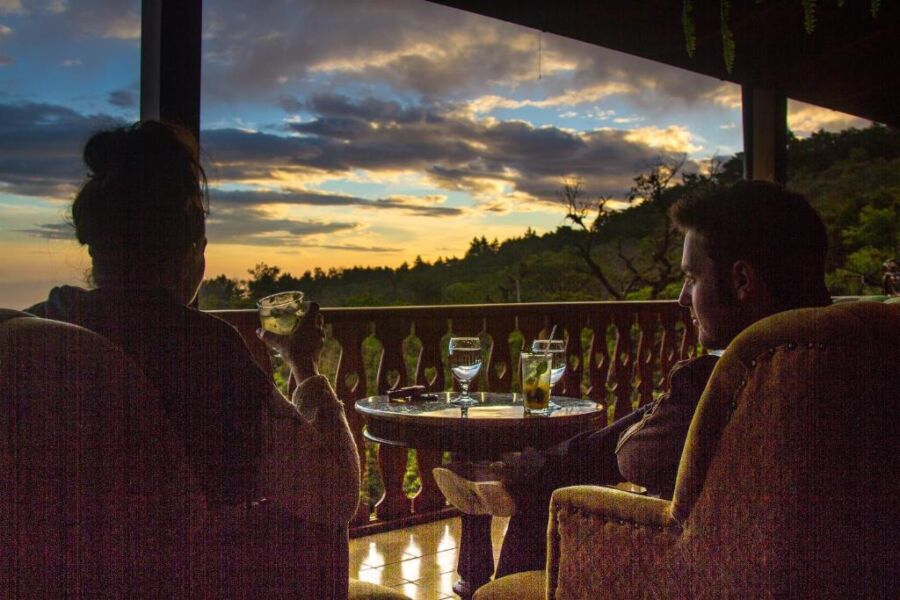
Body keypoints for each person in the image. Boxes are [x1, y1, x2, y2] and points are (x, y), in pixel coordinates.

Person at [434, 180, 832, 578]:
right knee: (655, 416)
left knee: (551, 498)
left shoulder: (732, 380)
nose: (681, 299)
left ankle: (522, 479)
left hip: (707, 571)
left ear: (742, 281)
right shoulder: (857, 357)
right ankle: (526, 474)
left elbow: (634, 458)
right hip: (816, 571)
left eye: (692, 277)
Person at [25, 121, 359, 526]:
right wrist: (303, 365)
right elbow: (332, 495)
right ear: (191, 251)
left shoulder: (33, 330)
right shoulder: (202, 351)